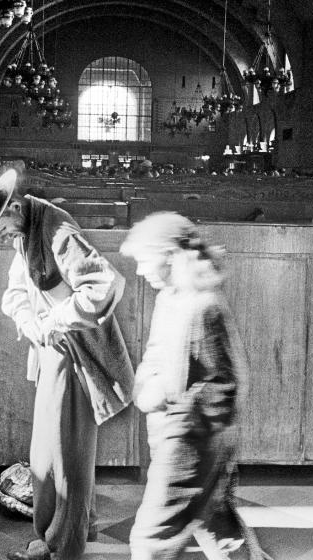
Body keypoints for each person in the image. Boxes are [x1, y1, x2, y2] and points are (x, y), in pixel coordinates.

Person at [0, 159, 134, 560]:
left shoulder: (55, 227)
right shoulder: (23, 229)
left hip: (77, 353)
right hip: (53, 351)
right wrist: (28, 318)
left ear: (9, 206)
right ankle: (73, 529)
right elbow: (15, 291)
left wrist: (54, 322)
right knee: (52, 452)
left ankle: (60, 547)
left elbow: (106, 285)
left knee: (63, 457)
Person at [120, 213, 265, 560]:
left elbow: (227, 383)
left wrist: (179, 410)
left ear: (170, 255)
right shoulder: (171, 298)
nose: (140, 271)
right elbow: (156, 355)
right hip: (179, 435)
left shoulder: (203, 306)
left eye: (144, 260)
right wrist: (146, 387)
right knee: (218, 526)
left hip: (192, 443)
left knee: (152, 539)